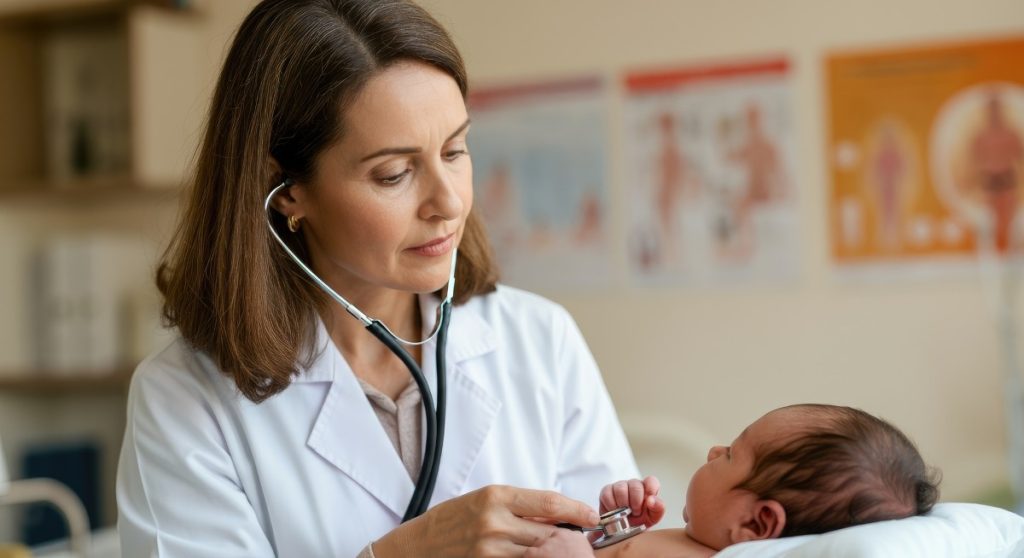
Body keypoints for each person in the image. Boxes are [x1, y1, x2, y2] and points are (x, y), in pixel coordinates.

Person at [115, 1, 638, 556]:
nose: (448, 201)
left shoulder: (539, 341)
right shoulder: (186, 400)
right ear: (287, 188)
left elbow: (616, 545)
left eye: (455, 150)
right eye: (394, 173)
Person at [525, 404, 941, 558]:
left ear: (756, 525)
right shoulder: (701, 539)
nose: (711, 451)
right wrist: (617, 525)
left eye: (729, 455)